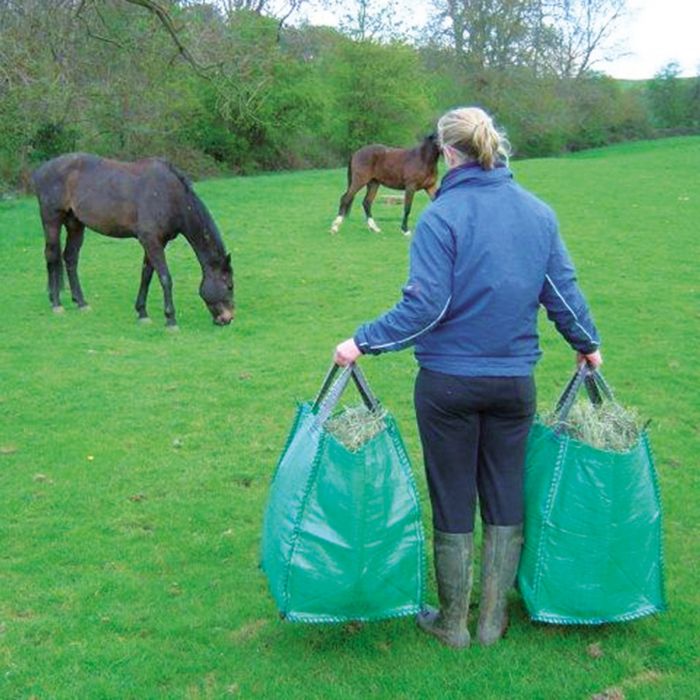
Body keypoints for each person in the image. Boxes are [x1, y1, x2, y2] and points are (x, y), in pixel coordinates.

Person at [334, 106, 602, 648]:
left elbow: (425, 310)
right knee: (504, 490)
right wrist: (587, 345)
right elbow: (564, 294)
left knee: (453, 493)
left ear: (448, 155)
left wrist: (361, 341)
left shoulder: (439, 217)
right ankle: (490, 622)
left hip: (448, 385)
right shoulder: (538, 213)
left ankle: (453, 622)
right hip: (512, 384)